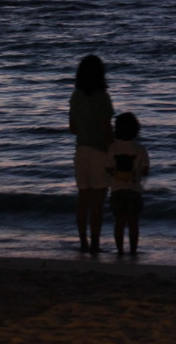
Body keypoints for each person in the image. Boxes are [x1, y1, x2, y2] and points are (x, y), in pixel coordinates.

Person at [68, 54, 114, 254]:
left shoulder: (75, 96)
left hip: (81, 152)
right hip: (99, 153)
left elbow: (72, 128)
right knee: (97, 203)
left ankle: (82, 242)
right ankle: (95, 243)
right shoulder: (103, 97)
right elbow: (106, 130)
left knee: (83, 199)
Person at [106, 111, 150, 256]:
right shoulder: (140, 149)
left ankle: (119, 250)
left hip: (116, 190)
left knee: (119, 222)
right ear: (136, 129)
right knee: (133, 224)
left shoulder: (113, 148)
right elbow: (145, 170)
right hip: (134, 190)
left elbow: (109, 167)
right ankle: (133, 251)